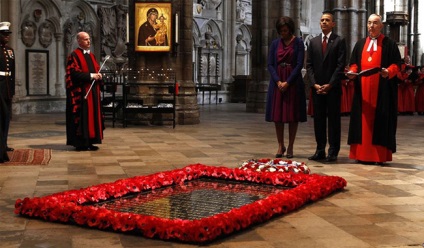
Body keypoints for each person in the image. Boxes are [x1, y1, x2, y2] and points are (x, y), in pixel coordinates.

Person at [346, 14, 401, 165]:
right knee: (361, 122)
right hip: (362, 92)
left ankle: (379, 157)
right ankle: (361, 154)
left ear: (381, 25)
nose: (371, 26)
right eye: (369, 23)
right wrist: (352, 72)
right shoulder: (360, 43)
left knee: (380, 122)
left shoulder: (389, 44)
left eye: (375, 23)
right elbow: (354, 63)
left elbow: (397, 64)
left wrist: (388, 72)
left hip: (382, 91)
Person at [306, 12, 346, 163]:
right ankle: (320, 150)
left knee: (334, 121)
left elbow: (340, 65)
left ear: (333, 24)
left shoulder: (339, 41)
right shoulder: (314, 42)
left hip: (332, 88)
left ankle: (333, 151)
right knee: (319, 121)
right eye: (322, 20)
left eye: (327, 20)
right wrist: (314, 83)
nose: (324, 22)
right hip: (317, 89)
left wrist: (330, 84)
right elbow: (309, 65)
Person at [265, 16, 307, 159]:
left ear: (290, 29)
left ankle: (290, 146)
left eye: (286, 30)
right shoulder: (275, 44)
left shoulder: (299, 43)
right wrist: (278, 81)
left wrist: (287, 82)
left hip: (293, 82)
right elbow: (270, 64)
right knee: (278, 116)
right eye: (281, 31)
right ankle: (280, 145)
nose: (283, 33)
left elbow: (299, 64)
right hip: (277, 82)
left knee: (292, 116)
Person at [65, 32, 104, 151]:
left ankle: (91, 141)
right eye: (86, 39)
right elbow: (74, 74)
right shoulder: (74, 55)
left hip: (93, 91)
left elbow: (96, 69)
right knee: (83, 117)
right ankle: (81, 143)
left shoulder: (92, 56)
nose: (89, 41)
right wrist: (92, 76)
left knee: (92, 116)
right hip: (81, 92)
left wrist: (99, 76)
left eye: (89, 39)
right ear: (79, 41)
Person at [0, 21, 15, 163]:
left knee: (6, 119)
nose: (7, 37)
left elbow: (13, 72)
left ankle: (3, 145)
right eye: (4, 34)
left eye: (8, 34)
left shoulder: (10, 50)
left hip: (7, 89)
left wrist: (13, 91)